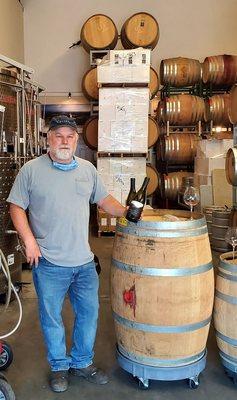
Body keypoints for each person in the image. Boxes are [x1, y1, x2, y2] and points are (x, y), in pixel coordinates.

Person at [7, 115, 126, 393]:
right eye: (58, 135)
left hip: (84, 262)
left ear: (76, 140)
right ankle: (60, 366)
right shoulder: (31, 170)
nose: (64, 141)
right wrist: (29, 241)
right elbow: (16, 207)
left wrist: (126, 211)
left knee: (89, 313)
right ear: (48, 139)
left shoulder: (87, 169)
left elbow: (103, 199)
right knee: (52, 317)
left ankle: (82, 362)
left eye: (70, 136)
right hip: (48, 261)